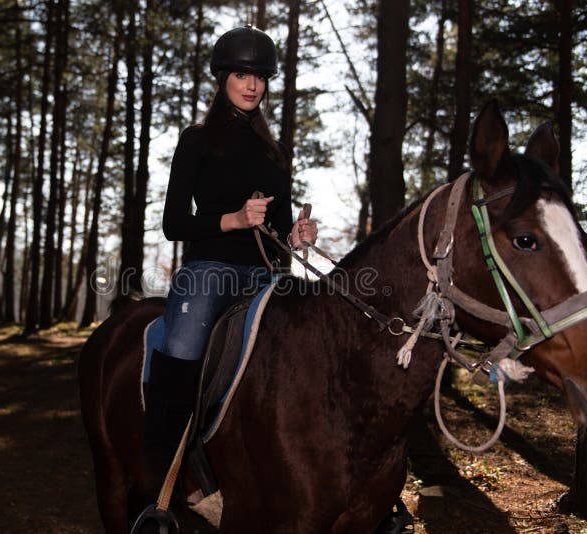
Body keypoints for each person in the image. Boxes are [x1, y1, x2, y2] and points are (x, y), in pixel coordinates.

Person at [137, 25, 409, 534]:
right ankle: (162, 491)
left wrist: (296, 232)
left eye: (260, 76)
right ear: (223, 78)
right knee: (182, 342)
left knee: (323, 346)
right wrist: (234, 220)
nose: (251, 84)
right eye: (242, 74)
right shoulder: (196, 141)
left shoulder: (271, 152)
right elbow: (175, 222)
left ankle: (373, 489)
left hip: (269, 273)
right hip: (211, 268)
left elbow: (278, 225)